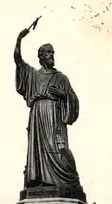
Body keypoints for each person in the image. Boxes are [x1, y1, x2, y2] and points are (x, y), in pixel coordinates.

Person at [14, 28, 82, 189]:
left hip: (55, 117)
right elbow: (18, 60)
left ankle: (66, 181)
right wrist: (19, 40)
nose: (52, 55)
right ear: (41, 57)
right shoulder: (33, 75)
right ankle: (40, 180)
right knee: (38, 151)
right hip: (38, 116)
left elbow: (74, 100)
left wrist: (64, 94)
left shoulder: (61, 78)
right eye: (48, 53)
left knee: (61, 149)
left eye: (53, 52)